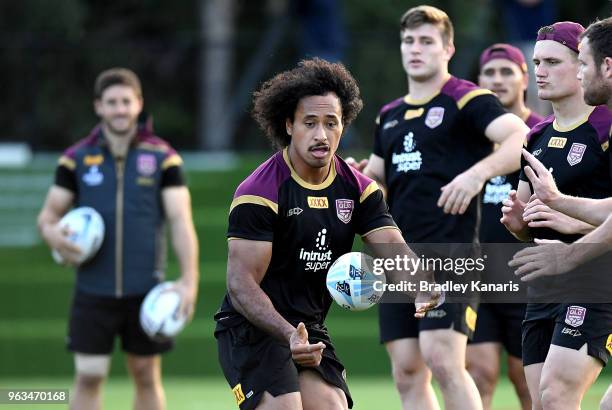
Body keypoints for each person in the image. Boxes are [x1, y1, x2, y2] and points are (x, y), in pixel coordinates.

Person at [213, 58, 438, 410]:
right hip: (250, 328)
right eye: (310, 123)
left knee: (332, 406)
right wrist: (288, 334)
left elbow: (392, 247)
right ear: (289, 125)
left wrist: (421, 284)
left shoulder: (358, 190)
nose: (321, 135)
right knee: (285, 407)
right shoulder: (260, 191)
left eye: (331, 123)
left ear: (343, 126)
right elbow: (240, 284)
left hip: (307, 327)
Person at [347, 5, 528, 410]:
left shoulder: (468, 99)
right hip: (399, 259)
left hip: (453, 251)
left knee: (442, 357)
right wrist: (364, 177)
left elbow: (519, 137)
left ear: (447, 48)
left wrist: (475, 175)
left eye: (426, 41)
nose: (416, 49)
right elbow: (379, 178)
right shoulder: (389, 115)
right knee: (407, 370)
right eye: (409, 41)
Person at [37, 68, 199, 410]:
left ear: (139, 104)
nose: (120, 109)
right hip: (93, 290)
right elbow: (48, 217)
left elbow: (180, 220)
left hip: (145, 290)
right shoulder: (75, 159)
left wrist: (189, 281)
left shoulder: (163, 157)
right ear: (99, 106)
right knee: (89, 375)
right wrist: (53, 235)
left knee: (145, 373)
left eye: (126, 101)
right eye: (112, 102)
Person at [500, 21, 612, 409]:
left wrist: (571, 220)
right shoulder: (536, 136)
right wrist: (518, 223)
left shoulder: (605, 126)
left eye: (553, 61)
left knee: (557, 391)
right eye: (536, 62)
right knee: (546, 402)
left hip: (595, 280)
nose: (540, 71)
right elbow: (531, 225)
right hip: (545, 285)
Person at [465, 43, 542, 410]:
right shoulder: (466, 140)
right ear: (478, 82)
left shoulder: (543, 133)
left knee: (527, 382)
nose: (497, 80)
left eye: (506, 71)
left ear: (524, 78)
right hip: (478, 277)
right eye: (489, 73)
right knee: (477, 376)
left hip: (527, 276)